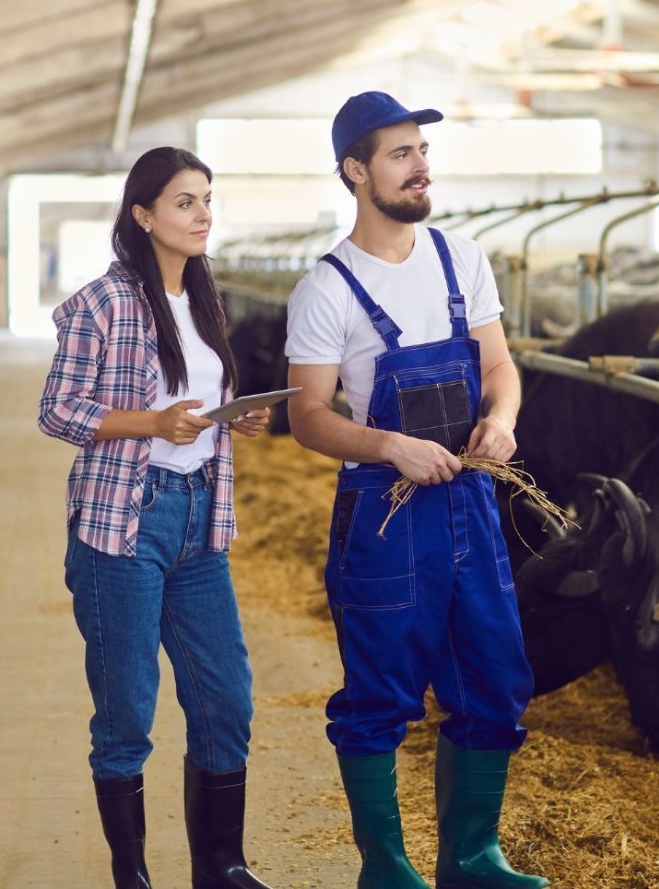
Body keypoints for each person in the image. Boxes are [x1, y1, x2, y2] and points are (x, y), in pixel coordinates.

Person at [285, 92, 549, 889]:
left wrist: (501, 420)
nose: (420, 166)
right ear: (355, 171)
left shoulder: (459, 258)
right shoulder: (326, 287)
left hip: (468, 499)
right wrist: (390, 444)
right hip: (385, 511)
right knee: (380, 691)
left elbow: (500, 367)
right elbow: (306, 414)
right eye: (400, 154)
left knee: (494, 677)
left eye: (422, 152)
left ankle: (472, 858)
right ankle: (387, 869)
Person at [38, 147, 273, 889]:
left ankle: (222, 865)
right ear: (143, 216)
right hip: (124, 524)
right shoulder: (100, 303)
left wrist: (234, 421)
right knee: (127, 709)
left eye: (207, 199)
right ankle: (132, 875)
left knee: (225, 697)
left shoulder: (207, 300)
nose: (203, 214)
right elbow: (59, 410)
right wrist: (152, 423)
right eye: (184, 202)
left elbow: (198, 410)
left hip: (201, 516)